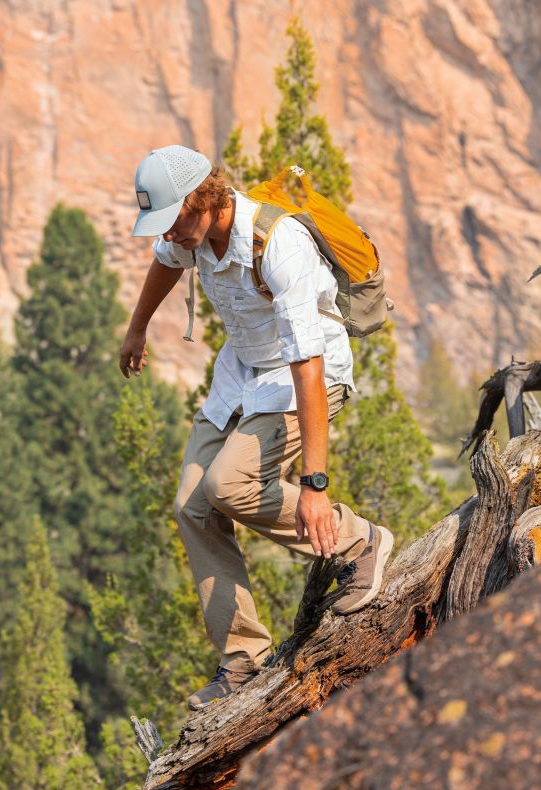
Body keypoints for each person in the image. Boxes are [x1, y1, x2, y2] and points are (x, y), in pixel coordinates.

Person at [120, 144, 393, 710]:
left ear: (204, 200)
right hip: (242, 375)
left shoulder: (278, 245)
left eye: (172, 223)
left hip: (306, 381)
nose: (167, 237)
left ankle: (359, 542)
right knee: (192, 505)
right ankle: (243, 660)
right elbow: (163, 265)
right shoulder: (187, 236)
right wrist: (137, 328)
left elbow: (307, 366)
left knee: (228, 485)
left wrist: (315, 487)